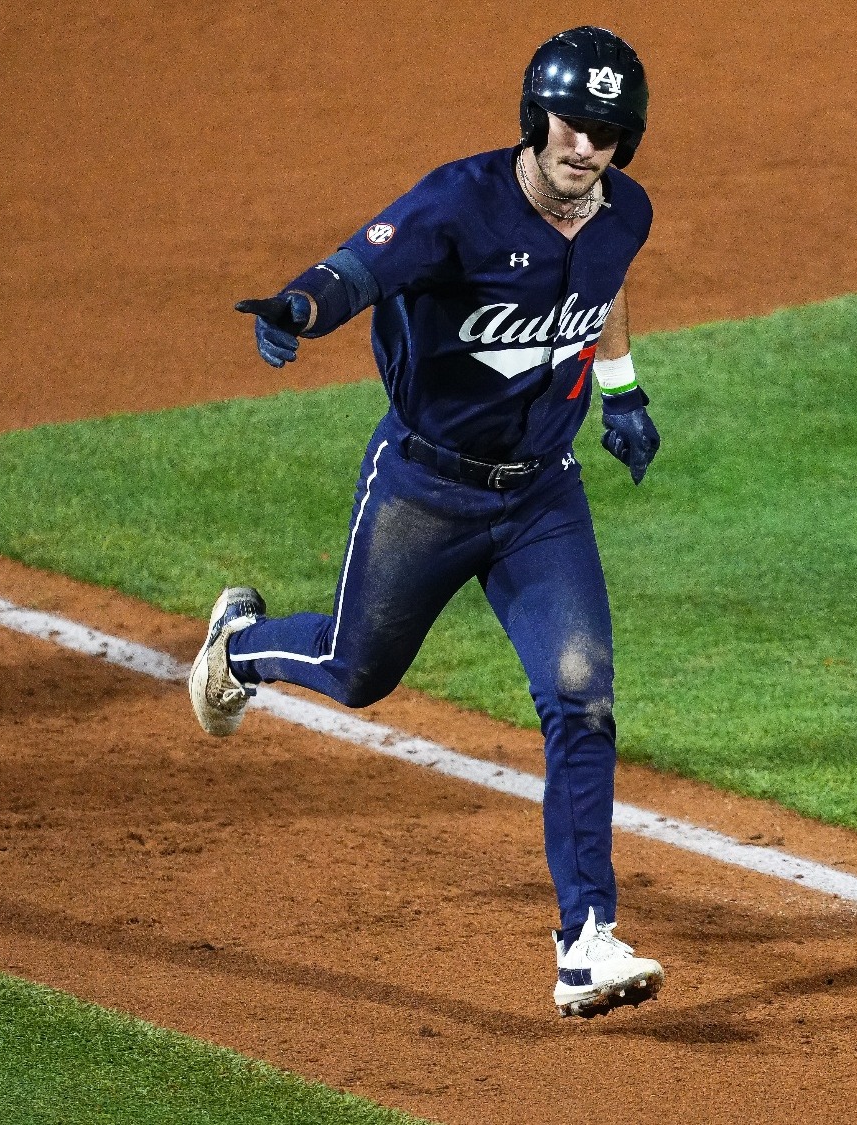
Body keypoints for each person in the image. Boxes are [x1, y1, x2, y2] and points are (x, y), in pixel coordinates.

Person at [188, 26, 665, 1019]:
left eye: (608, 134)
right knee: (356, 672)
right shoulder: (460, 204)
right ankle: (238, 650)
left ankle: (586, 939)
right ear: (537, 116)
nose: (587, 148)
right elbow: (359, 268)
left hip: (541, 496)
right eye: (573, 125)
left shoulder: (625, 212)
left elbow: (604, 288)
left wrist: (621, 391)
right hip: (425, 489)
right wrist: (299, 307)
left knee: (579, 697)